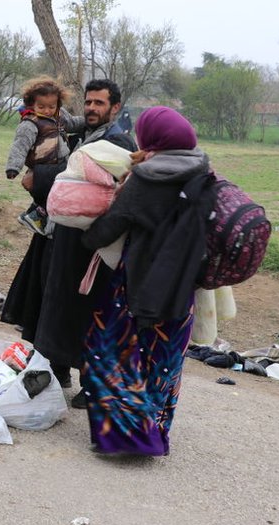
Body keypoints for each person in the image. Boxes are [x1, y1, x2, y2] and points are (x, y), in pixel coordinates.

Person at [80, 106, 209, 456]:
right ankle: (155, 433)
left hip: (138, 280)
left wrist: (85, 237)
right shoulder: (202, 168)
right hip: (182, 282)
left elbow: (113, 224)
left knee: (110, 350)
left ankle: (126, 437)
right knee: (164, 357)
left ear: (153, 138)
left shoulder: (148, 176)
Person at [0, 79, 137, 408]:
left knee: (85, 314)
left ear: (115, 108)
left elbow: (87, 184)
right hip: (58, 234)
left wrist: (39, 179)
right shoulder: (80, 134)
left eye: (99, 104)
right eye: (88, 102)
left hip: (89, 247)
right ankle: (54, 371)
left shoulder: (116, 141)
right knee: (51, 303)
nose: (91, 108)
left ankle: (93, 386)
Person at [5, 77, 72, 236]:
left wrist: (88, 124)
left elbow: (73, 123)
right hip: (43, 165)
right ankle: (38, 216)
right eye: (41, 106)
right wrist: (13, 167)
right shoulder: (30, 123)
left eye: (52, 106)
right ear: (31, 104)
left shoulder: (58, 117)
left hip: (59, 162)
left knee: (57, 192)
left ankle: (33, 215)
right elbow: (20, 146)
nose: (47, 111)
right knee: (49, 193)